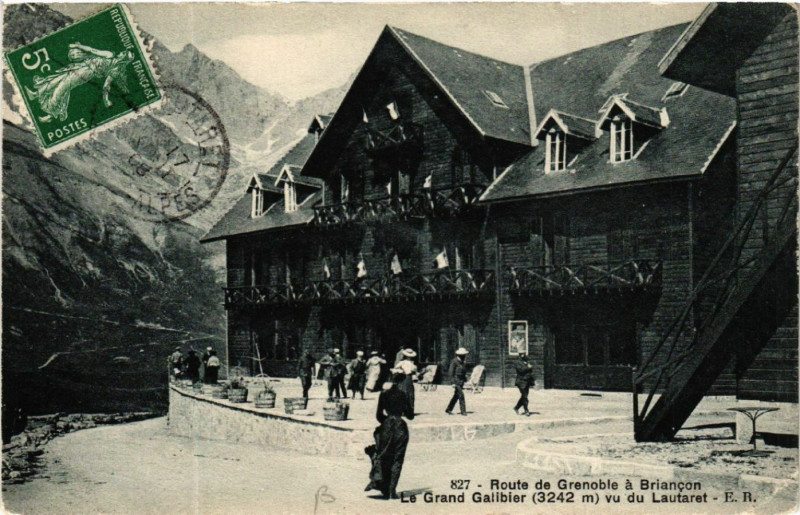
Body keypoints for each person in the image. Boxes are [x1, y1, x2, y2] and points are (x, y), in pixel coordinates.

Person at [24, 43, 135, 123]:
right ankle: (36, 94)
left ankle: (51, 113)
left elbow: (106, 86)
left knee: (63, 86)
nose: (121, 52)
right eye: (123, 51)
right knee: (59, 77)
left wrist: (106, 100)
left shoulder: (115, 70)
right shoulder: (109, 54)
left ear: (124, 58)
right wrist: (79, 46)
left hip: (87, 73)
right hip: (83, 64)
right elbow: (92, 50)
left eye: (124, 53)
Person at [365, 372, 414, 500]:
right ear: (401, 382)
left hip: (386, 426)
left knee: (385, 457)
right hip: (400, 427)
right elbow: (410, 415)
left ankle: (384, 488)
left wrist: (387, 422)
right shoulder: (403, 395)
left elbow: (378, 415)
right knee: (397, 459)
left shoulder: (383, 394)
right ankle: (392, 490)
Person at [445, 347, 469, 416]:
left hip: (461, 381)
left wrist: (465, 379)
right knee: (461, 395)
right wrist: (452, 382)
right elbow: (451, 372)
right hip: (456, 381)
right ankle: (463, 411)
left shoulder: (463, 363)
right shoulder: (454, 362)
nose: (464, 356)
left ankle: (448, 409)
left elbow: (463, 372)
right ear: (459, 355)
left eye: (464, 355)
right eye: (463, 355)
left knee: (456, 396)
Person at [395, 349, 418, 414]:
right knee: (410, 393)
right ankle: (409, 409)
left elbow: (396, 367)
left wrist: (401, 370)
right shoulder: (412, 363)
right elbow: (414, 370)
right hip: (408, 377)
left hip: (403, 377)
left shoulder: (402, 362)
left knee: (404, 391)